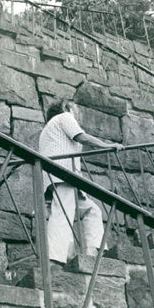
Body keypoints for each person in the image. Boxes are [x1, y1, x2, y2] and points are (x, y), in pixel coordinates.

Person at [38, 99, 123, 265]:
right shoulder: (64, 117)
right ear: (65, 108)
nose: (75, 113)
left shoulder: (49, 129)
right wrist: (107, 145)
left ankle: (93, 252)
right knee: (63, 212)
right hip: (63, 173)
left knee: (92, 211)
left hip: (62, 175)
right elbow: (82, 137)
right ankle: (54, 258)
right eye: (73, 109)